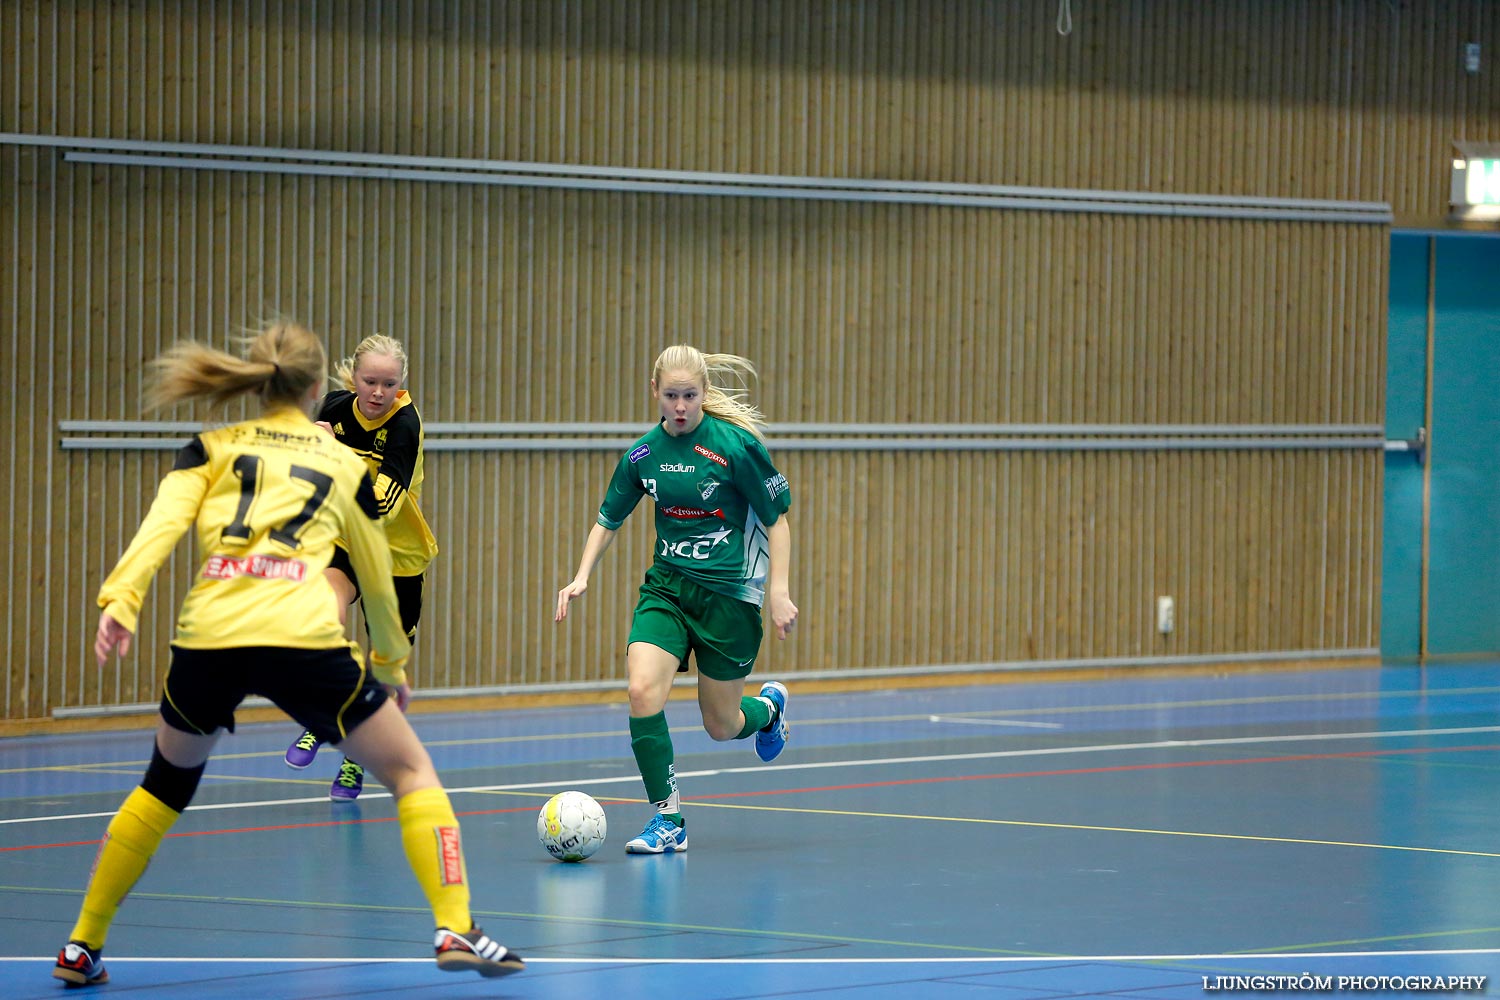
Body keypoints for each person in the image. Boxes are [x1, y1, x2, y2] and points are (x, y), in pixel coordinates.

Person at [52, 323, 523, 987]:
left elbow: (160, 525)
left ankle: (81, 944)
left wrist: (121, 600)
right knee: (413, 772)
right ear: (316, 390)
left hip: (208, 637)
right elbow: (376, 570)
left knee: (162, 786)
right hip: (300, 638)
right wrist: (388, 661)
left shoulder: (209, 447)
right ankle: (454, 925)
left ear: (260, 382)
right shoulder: (344, 467)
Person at [554, 344, 798, 854]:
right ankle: (669, 820)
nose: (681, 406)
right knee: (642, 691)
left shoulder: (734, 447)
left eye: (690, 395)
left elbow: (776, 519)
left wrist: (778, 592)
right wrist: (580, 576)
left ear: (705, 394)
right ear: (655, 392)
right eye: (671, 396)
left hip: (729, 600)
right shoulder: (643, 454)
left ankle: (768, 711)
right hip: (667, 588)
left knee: (721, 724)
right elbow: (609, 519)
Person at [281, 334, 438, 802]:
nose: (377, 392)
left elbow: (383, 501)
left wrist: (337, 453)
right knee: (324, 616)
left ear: (400, 385)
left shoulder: (406, 425)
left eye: (389, 384)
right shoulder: (332, 408)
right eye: (369, 381)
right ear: (353, 376)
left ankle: (356, 761)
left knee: (387, 669)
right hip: (346, 540)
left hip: (397, 555)